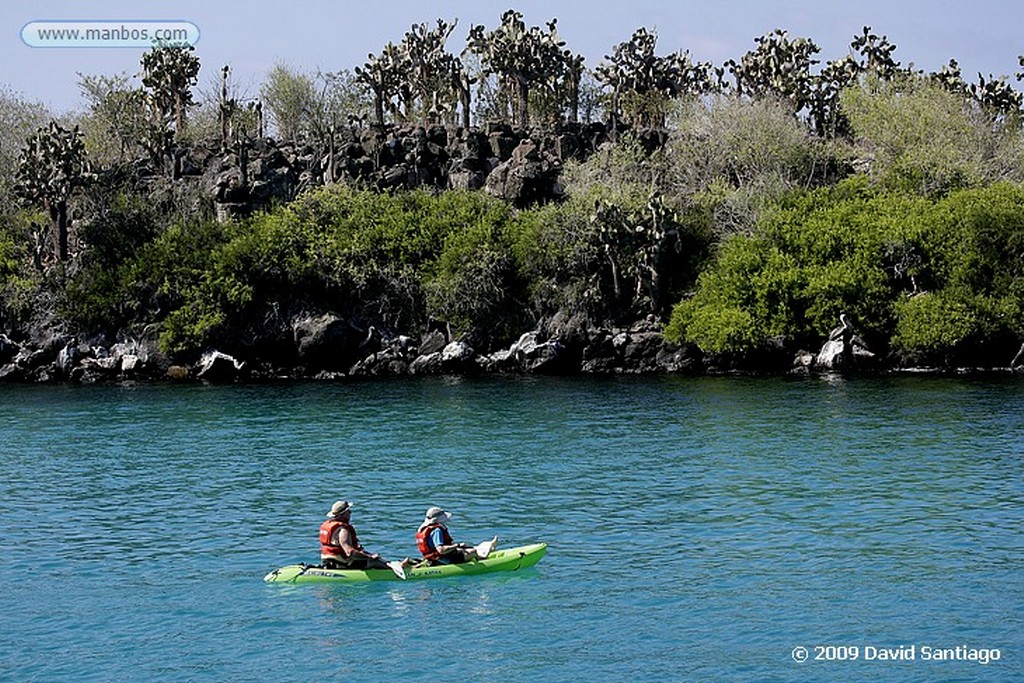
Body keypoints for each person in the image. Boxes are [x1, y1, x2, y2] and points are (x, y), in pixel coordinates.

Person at [320, 500, 408, 577]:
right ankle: (395, 569)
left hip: (329, 561)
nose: (350, 513)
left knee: (371, 557)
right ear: (343, 514)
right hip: (342, 564)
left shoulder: (330, 525)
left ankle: (392, 564)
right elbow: (349, 552)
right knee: (376, 562)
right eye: (348, 511)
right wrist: (370, 557)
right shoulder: (343, 530)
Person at [415, 506, 492, 565]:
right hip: (442, 559)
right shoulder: (437, 530)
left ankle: (482, 552)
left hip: (432, 558)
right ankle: (483, 562)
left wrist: (458, 546)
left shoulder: (424, 529)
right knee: (473, 551)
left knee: (466, 547)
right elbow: (441, 550)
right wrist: (457, 545)